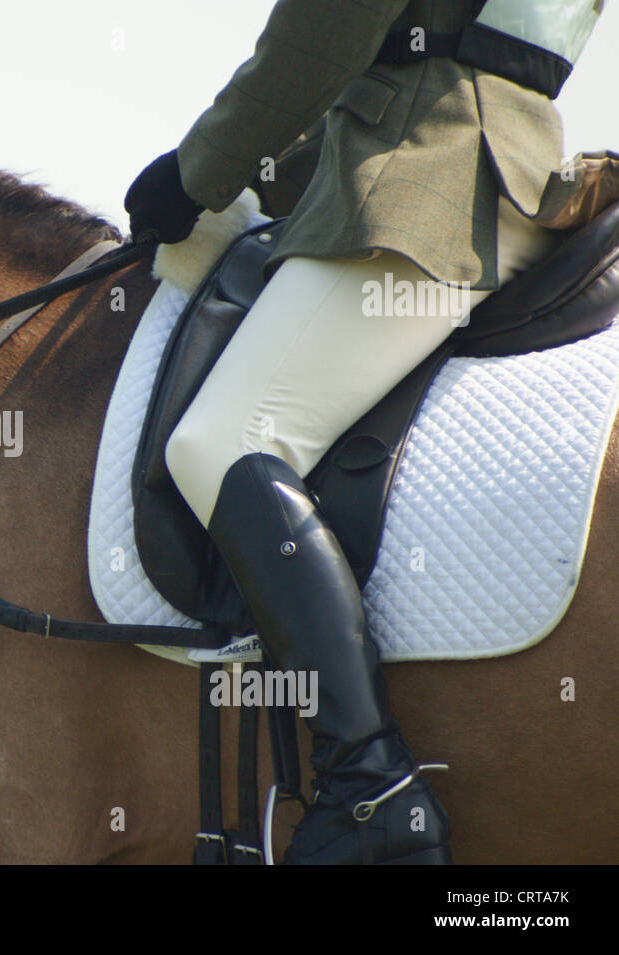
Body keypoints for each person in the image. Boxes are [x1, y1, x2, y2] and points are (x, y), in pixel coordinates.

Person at [124, 0, 602, 864]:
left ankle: (368, 785)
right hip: (532, 186)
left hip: (426, 186)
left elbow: (322, 40)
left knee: (223, 441)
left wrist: (195, 176)